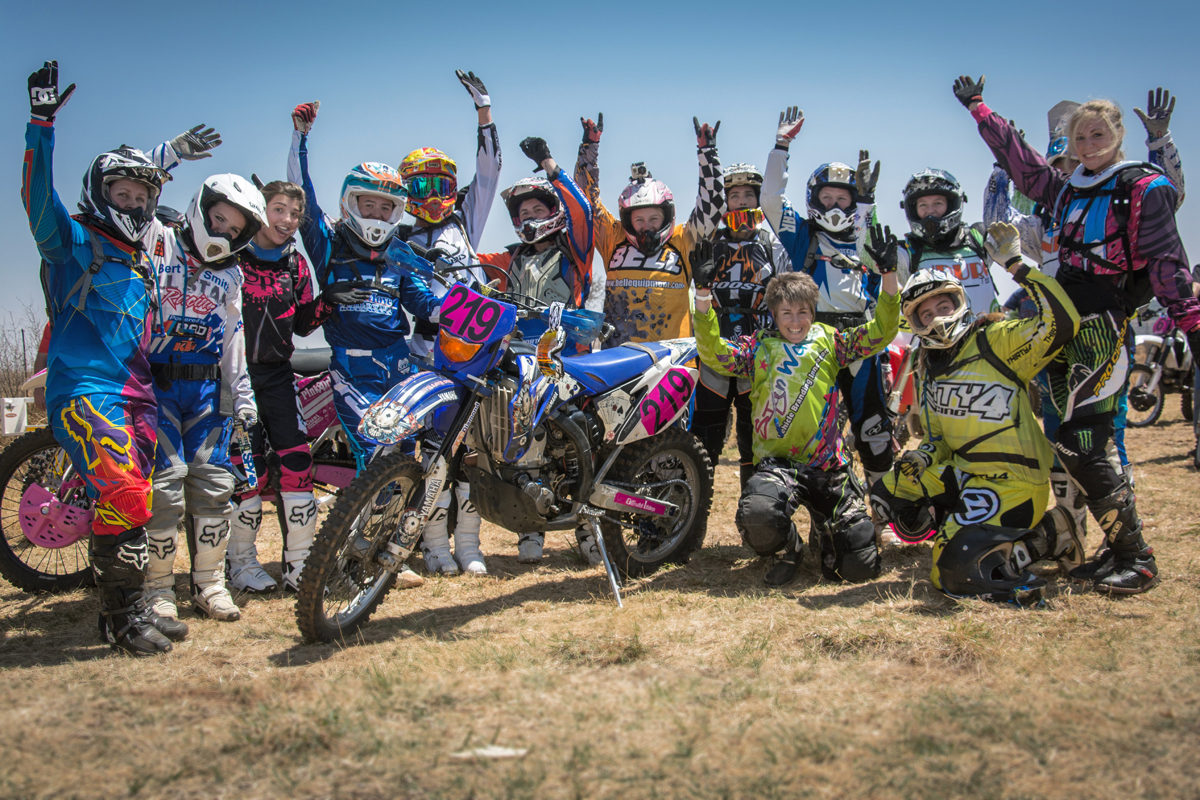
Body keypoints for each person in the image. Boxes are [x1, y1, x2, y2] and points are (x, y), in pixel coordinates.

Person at [956, 74, 1200, 593]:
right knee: (1070, 445)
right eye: (1080, 138)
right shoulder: (1067, 188)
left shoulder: (1143, 187)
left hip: (1104, 326)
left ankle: (1138, 558)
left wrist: (1192, 326)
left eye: (1097, 136)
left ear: (1117, 136)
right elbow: (1022, 163)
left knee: (1085, 444)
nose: (1088, 146)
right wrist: (980, 110)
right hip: (1059, 324)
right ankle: (1119, 552)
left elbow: (1167, 264)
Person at [22, 60, 177, 654]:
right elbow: (37, 203)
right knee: (126, 496)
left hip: (138, 394)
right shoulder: (72, 243)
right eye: (123, 193)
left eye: (142, 195)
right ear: (100, 193)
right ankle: (119, 621)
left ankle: (133, 604)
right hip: (85, 389)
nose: (134, 202)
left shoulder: (140, 259)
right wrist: (41, 124)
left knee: (135, 505)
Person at [870, 223, 1084, 605]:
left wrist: (1016, 265)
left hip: (1014, 481)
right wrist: (923, 455)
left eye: (943, 306)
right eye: (925, 313)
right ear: (914, 323)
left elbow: (1064, 323)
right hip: (967, 474)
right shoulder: (927, 364)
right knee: (889, 489)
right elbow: (938, 441)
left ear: (960, 302)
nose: (936, 318)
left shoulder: (997, 341)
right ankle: (960, 526)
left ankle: (1050, 535)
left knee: (953, 575)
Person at [287, 103, 441, 586]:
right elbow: (304, 200)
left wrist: (472, 313)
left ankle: (378, 555)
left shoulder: (401, 257)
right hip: (352, 369)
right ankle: (348, 562)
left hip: (401, 369)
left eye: (386, 207)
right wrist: (299, 141)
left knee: (403, 461)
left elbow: (426, 304)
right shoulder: (329, 244)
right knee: (376, 453)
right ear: (350, 204)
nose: (376, 214)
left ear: (398, 212)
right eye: (367, 204)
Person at [691, 244, 900, 587]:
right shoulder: (758, 347)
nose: (795, 321)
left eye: (803, 312)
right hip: (777, 466)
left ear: (813, 312)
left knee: (860, 565)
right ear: (773, 313)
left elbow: (883, 331)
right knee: (757, 518)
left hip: (827, 468)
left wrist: (889, 277)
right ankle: (792, 548)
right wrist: (702, 296)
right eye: (786, 313)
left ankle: (827, 531)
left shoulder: (831, 342)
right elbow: (713, 352)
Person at [142, 174, 267, 623]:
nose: (223, 233)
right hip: (154, 386)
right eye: (218, 219)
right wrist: (166, 157)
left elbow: (234, 339)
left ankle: (210, 584)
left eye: (235, 230)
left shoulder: (233, 274)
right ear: (201, 208)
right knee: (163, 492)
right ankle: (156, 590)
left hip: (206, 391)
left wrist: (243, 394)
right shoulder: (157, 243)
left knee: (215, 488)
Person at [760, 106, 895, 498]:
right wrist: (781, 146)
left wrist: (868, 201)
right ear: (813, 199)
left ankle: (883, 507)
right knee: (818, 425)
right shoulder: (800, 232)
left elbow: (875, 259)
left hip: (860, 337)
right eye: (827, 197)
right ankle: (823, 510)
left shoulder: (864, 238)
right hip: (812, 336)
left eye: (844, 200)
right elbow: (770, 198)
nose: (835, 206)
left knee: (872, 425)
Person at [476, 136, 597, 566]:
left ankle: (589, 530)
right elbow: (464, 259)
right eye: (522, 213)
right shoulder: (506, 259)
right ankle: (532, 529)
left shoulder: (574, 254)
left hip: (570, 362)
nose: (529, 217)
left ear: (553, 214)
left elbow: (582, 211)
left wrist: (550, 165)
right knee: (528, 446)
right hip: (520, 365)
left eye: (538, 210)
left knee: (580, 447)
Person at [574, 113, 724, 347]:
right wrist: (589, 147)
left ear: (668, 215)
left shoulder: (683, 239)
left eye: (654, 218)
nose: (647, 227)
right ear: (627, 219)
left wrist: (707, 153)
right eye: (639, 220)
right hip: (618, 358)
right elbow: (585, 201)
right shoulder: (614, 237)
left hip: (673, 363)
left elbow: (712, 205)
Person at [691, 161, 790, 488]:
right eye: (736, 195)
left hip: (758, 349)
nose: (744, 200)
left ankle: (756, 513)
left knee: (753, 437)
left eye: (750, 194)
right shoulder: (710, 240)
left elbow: (788, 292)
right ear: (725, 201)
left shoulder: (772, 242)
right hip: (714, 348)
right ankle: (694, 510)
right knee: (705, 436)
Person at [401, 70, 501, 358]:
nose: (433, 196)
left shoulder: (465, 220)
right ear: (407, 191)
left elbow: (489, 172)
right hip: (425, 344)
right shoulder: (400, 238)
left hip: (476, 340)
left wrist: (484, 112)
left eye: (441, 185)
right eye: (423, 186)